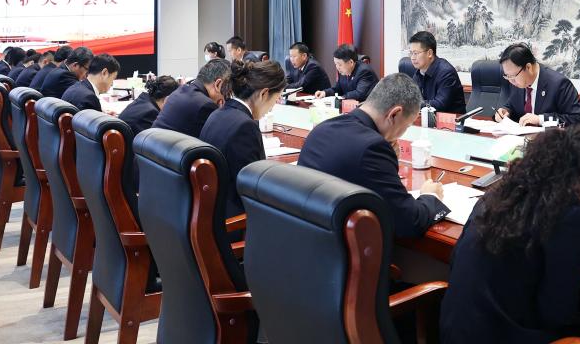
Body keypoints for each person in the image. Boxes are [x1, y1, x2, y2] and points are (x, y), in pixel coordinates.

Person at [440, 124, 580, 344]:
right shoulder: (572, 214)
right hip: (505, 336)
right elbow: (557, 312)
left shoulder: (498, 193)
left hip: (454, 332)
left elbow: (455, 260)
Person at [299, 73, 449, 238]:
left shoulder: (322, 128)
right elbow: (409, 223)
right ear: (394, 114)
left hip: (308, 239)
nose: (402, 133)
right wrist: (430, 195)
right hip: (344, 248)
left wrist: (388, 161)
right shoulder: (373, 147)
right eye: (407, 126)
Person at [199, 60, 287, 220]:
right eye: (276, 99)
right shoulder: (245, 126)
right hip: (234, 219)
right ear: (264, 94)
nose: (273, 107)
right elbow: (253, 187)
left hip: (211, 210)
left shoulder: (217, 113)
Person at [495, 43, 580, 127]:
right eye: (507, 76)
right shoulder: (517, 82)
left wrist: (541, 119)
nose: (511, 81)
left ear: (528, 67)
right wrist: (506, 111)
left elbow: (577, 119)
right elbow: (512, 105)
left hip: (549, 137)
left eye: (513, 76)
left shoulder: (559, 84)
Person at [151, 59, 231, 138]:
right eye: (228, 89)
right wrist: (221, 112)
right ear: (218, 84)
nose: (227, 96)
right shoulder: (206, 105)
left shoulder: (179, 91)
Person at [408, 31, 466, 114]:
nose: (412, 58)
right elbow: (411, 97)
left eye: (415, 53)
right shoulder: (419, 73)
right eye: (411, 53)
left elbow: (439, 105)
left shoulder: (446, 72)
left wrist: (411, 104)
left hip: (451, 120)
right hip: (429, 119)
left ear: (429, 53)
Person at [314, 44, 378, 101]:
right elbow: (338, 89)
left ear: (351, 62)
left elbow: (359, 94)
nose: (337, 67)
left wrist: (341, 97)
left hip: (368, 107)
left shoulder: (364, 71)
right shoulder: (343, 71)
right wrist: (324, 93)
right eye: (336, 64)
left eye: (339, 64)